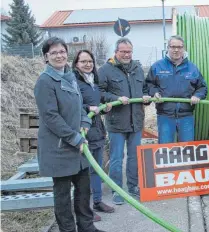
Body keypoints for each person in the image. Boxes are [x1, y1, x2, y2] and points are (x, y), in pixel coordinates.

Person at [34, 37, 104, 232]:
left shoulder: (70, 76)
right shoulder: (45, 82)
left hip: (78, 146)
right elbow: (51, 117)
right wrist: (74, 138)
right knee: (63, 196)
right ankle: (68, 229)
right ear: (46, 57)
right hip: (59, 148)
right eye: (54, 52)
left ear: (67, 54)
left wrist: (84, 122)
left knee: (83, 191)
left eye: (62, 51)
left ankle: (87, 227)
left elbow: (79, 106)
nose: (59, 55)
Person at [98, 38, 151, 205]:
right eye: (123, 51)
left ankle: (133, 186)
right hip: (116, 122)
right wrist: (115, 98)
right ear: (116, 52)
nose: (127, 54)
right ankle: (117, 190)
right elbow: (99, 93)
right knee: (116, 157)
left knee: (134, 157)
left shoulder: (137, 69)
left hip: (136, 121)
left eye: (129, 51)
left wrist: (146, 98)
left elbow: (144, 89)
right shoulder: (105, 70)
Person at [73, 50, 115, 222]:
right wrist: (88, 108)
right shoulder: (73, 82)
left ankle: (97, 202)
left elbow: (96, 103)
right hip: (83, 131)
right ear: (76, 64)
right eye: (83, 61)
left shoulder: (93, 82)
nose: (88, 64)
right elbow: (73, 105)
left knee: (97, 169)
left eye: (90, 61)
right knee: (84, 174)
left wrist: (103, 107)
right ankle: (84, 210)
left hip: (97, 130)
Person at [146, 35, 207, 144]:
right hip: (165, 115)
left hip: (186, 116)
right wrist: (155, 93)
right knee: (165, 149)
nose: (176, 50)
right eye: (173, 46)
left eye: (179, 47)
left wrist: (197, 95)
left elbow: (202, 87)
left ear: (183, 49)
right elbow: (149, 84)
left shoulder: (192, 68)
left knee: (187, 148)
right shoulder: (157, 66)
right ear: (168, 48)